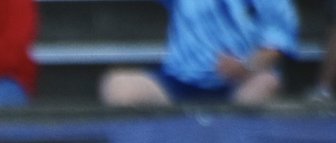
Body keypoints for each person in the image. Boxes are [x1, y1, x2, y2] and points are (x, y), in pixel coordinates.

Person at [99, 0, 298, 106]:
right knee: (118, 85)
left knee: (267, 83)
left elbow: (277, 44)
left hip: (238, 86)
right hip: (178, 82)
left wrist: (246, 67)